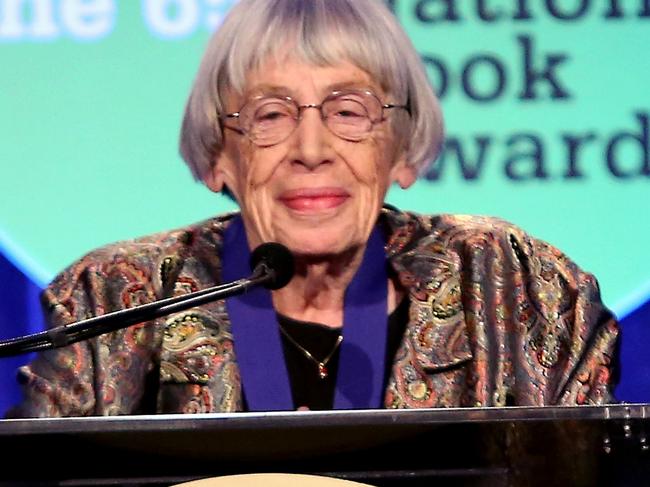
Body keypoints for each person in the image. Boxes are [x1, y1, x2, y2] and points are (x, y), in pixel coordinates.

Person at [8, 0, 618, 417]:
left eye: (349, 111)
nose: (311, 150)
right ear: (220, 155)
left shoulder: (513, 287)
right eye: (269, 115)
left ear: (401, 150)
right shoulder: (119, 299)